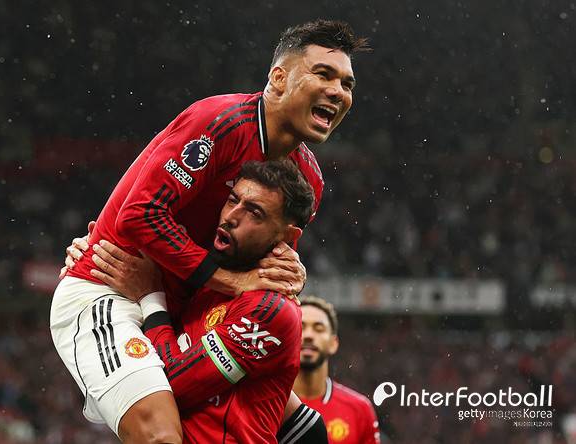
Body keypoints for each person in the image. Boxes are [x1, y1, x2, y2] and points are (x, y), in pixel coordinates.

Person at [52, 19, 367, 443]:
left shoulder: (308, 179)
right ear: (278, 78)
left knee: (303, 428)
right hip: (114, 288)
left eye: (346, 84)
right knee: (161, 435)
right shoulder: (218, 121)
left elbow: (264, 263)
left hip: (186, 310)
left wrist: (290, 271)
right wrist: (231, 282)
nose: (337, 91)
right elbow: (139, 216)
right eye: (323, 74)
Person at [89, 160, 328, 443]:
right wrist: (97, 250)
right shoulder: (210, 280)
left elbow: (169, 386)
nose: (231, 216)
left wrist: (150, 297)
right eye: (233, 200)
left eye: (254, 212)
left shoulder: (270, 310)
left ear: (287, 235)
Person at [294, 296, 380, 444]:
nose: (308, 335)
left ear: (333, 343)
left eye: (318, 329)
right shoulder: (265, 404)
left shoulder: (359, 409)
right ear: (287, 337)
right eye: (301, 327)